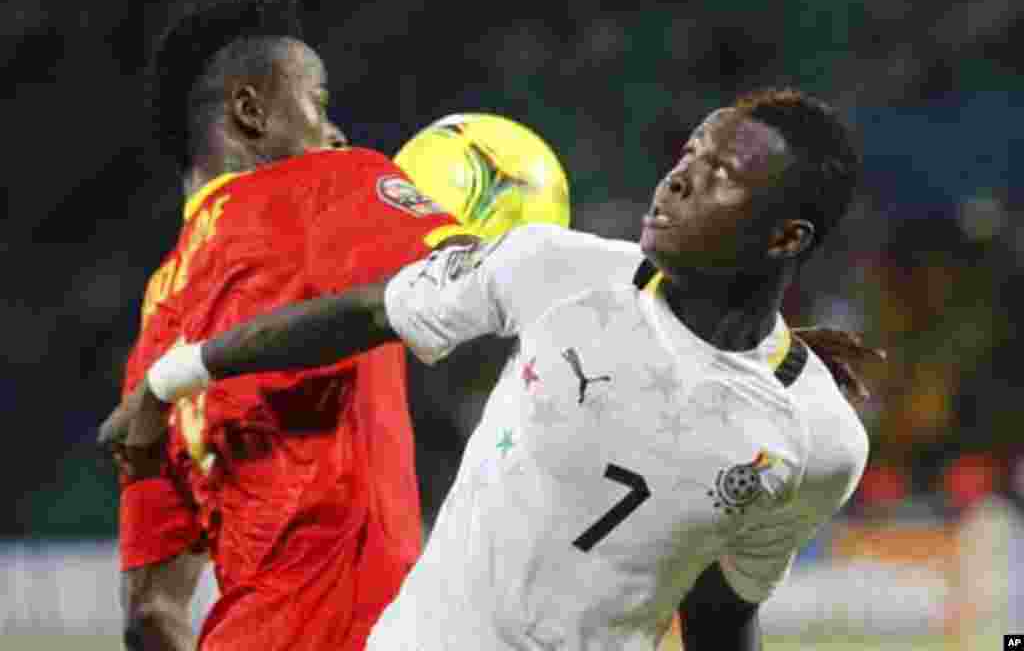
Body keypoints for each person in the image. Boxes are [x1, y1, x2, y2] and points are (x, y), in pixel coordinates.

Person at [107, 87, 881, 650]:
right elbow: (364, 313)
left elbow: (721, 615)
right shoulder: (555, 269)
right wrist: (175, 374)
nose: (679, 178)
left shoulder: (818, 439)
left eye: (723, 174)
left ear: (787, 239)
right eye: (689, 155)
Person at [105, 0, 474, 651]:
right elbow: (481, 279)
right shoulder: (328, 184)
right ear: (250, 110)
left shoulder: (155, 324)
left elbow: (151, 611)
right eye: (320, 103)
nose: (336, 132)